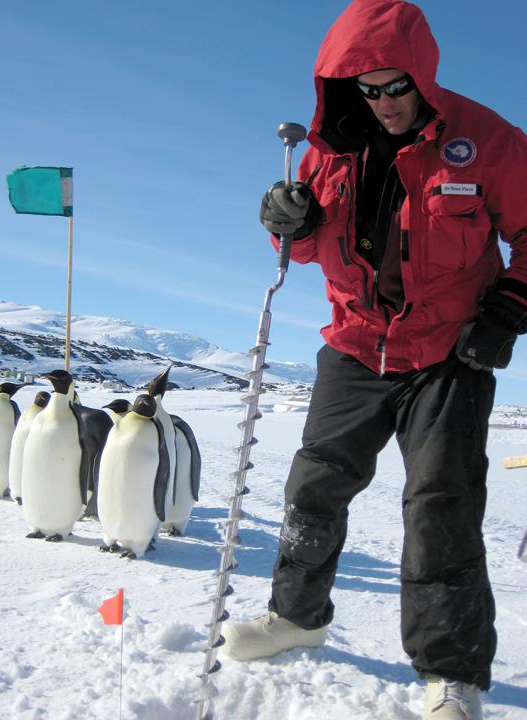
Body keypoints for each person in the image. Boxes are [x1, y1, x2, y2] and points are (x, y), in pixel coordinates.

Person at [221, 1, 527, 719]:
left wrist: (509, 309)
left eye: (396, 86)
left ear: (421, 76)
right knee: (312, 489)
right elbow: (301, 250)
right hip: (355, 344)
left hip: (449, 352)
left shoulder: (488, 142)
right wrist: (284, 224)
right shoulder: (326, 150)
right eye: (367, 89)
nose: (384, 103)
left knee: (440, 508)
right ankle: (297, 618)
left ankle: (451, 673)